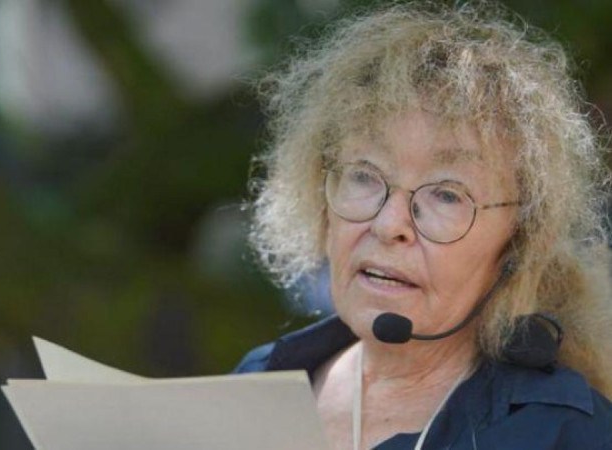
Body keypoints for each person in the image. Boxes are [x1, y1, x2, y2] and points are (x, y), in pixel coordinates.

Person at [234, 2, 612, 449]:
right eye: (364, 175)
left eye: (447, 195)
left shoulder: (562, 433)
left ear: (518, 243)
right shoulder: (254, 386)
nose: (389, 224)